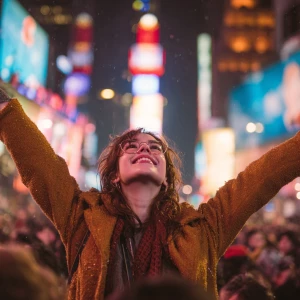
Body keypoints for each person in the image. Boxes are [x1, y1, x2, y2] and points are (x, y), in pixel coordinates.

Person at [1, 90, 300, 300]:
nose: (144, 148)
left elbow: (261, 178)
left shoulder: (203, 228)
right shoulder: (82, 218)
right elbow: (41, 167)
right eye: (131, 146)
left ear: (167, 180)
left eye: (154, 147)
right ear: (114, 174)